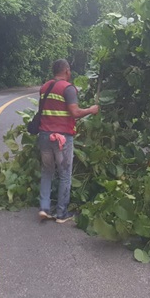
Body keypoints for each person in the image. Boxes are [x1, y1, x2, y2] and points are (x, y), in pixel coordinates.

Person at [37, 59, 99, 223]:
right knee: (65, 175)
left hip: (44, 136)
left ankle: (44, 208)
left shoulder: (45, 87)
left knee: (47, 172)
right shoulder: (68, 88)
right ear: (66, 70)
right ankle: (61, 213)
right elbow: (75, 112)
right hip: (62, 139)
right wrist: (91, 110)